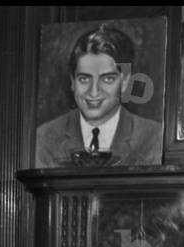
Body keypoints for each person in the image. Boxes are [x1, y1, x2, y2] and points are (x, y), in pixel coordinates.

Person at [34, 24, 162, 168]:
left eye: (107, 79)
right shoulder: (44, 139)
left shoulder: (154, 137)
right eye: (84, 79)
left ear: (125, 81)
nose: (94, 92)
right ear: (72, 81)